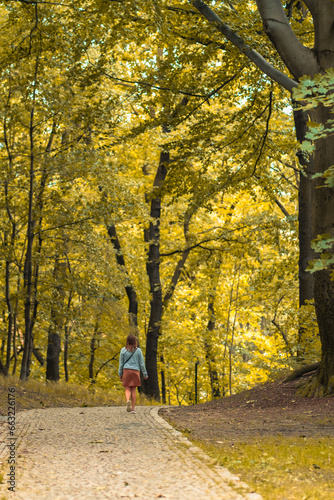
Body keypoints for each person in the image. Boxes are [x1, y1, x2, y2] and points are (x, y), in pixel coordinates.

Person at [118, 334, 148, 414]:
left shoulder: (123, 350)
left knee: (127, 388)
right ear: (135, 341)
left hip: (126, 371)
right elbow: (142, 363)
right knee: (133, 389)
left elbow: (121, 364)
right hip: (135, 371)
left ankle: (128, 400)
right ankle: (133, 409)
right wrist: (145, 374)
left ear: (127, 341)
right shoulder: (138, 351)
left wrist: (120, 374)